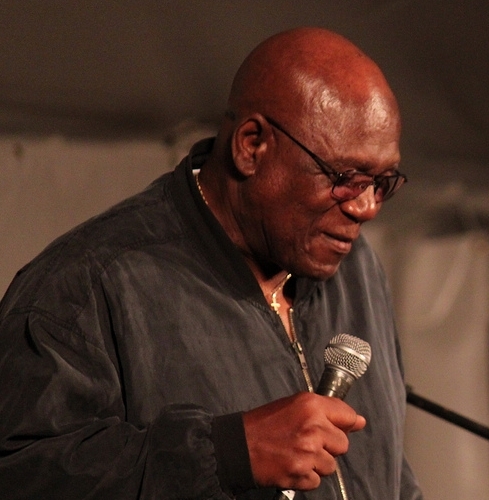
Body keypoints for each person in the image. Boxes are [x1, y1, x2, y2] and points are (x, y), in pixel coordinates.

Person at [0, 27, 422, 500]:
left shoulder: (357, 268)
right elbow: (21, 474)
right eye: (346, 178)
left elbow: (386, 469)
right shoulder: (87, 283)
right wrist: (225, 454)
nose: (366, 208)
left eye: (383, 182)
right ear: (251, 145)